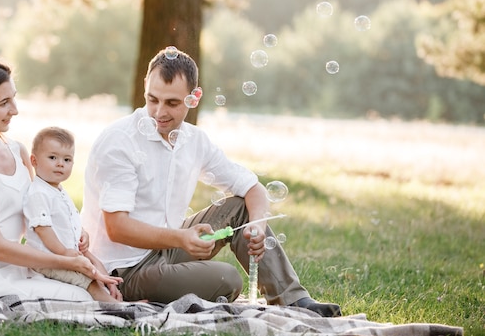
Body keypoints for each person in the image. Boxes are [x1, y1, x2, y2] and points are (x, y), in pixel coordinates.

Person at [80, 48, 342, 317]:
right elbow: (116, 227)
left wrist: (258, 228)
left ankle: (294, 300)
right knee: (227, 280)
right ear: (145, 87)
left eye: (172, 103)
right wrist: (181, 238)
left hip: (165, 248)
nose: (159, 112)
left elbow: (253, 189)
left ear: (194, 98)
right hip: (124, 269)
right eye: (152, 99)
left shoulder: (195, 141)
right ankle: (146, 296)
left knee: (241, 207)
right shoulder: (119, 141)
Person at [0, 55, 119, 300]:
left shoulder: (18, 151)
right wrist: (66, 262)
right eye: (4, 103)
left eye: (14, 98)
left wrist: (76, 233)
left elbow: (39, 207)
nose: (15, 110)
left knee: (88, 290)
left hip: (18, 266)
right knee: (81, 299)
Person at [23, 126, 122, 303]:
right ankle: (116, 307)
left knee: (96, 262)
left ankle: (113, 290)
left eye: (67, 159)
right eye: (53, 157)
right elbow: (43, 230)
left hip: (69, 254)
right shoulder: (38, 193)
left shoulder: (58, 190)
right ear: (34, 160)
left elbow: (68, 220)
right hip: (49, 260)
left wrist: (82, 233)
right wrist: (64, 253)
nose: (60, 163)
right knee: (88, 279)